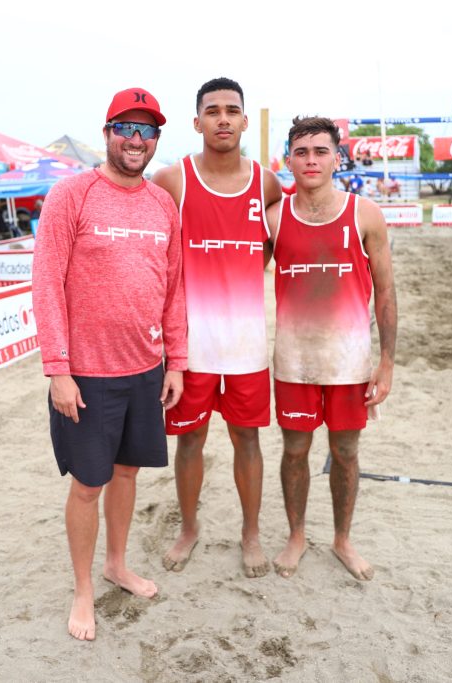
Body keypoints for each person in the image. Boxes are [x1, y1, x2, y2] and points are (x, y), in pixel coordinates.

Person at [32, 87, 186, 641]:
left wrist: (176, 360)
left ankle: (116, 564)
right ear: (107, 132)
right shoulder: (72, 195)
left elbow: (174, 287)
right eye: (127, 127)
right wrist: (58, 369)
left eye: (147, 131)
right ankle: (82, 591)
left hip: (145, 368)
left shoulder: (162, 204)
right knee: (88, 484)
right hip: (87, 374)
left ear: (156, 141)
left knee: (127, 472)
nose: (136, 140)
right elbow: (46, 283)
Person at [152, 77, 282, 578]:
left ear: (245, 121)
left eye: (232, 111)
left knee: (247, 440)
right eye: (213, 111)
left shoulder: (265, 183)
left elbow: (275, 247)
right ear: (197, 122)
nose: (223, 119)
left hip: (247, 345)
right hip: (191, 347)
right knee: (190, 441)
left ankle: (250, 534)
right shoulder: (174, 180)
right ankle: (189, 528)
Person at [267, 116, 396, 579]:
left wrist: (386, 361)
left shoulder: (364, 214)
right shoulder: (275, 218)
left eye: (321, 151)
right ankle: (297, 536)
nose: (311, 160)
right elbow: (236, 274)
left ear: (337, 158)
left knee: (345, 451)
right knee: (295, 450)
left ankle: (342, 539)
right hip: (293, 361)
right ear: (289, 160)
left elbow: (385, 291)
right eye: (301, 152)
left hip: (350, 362)